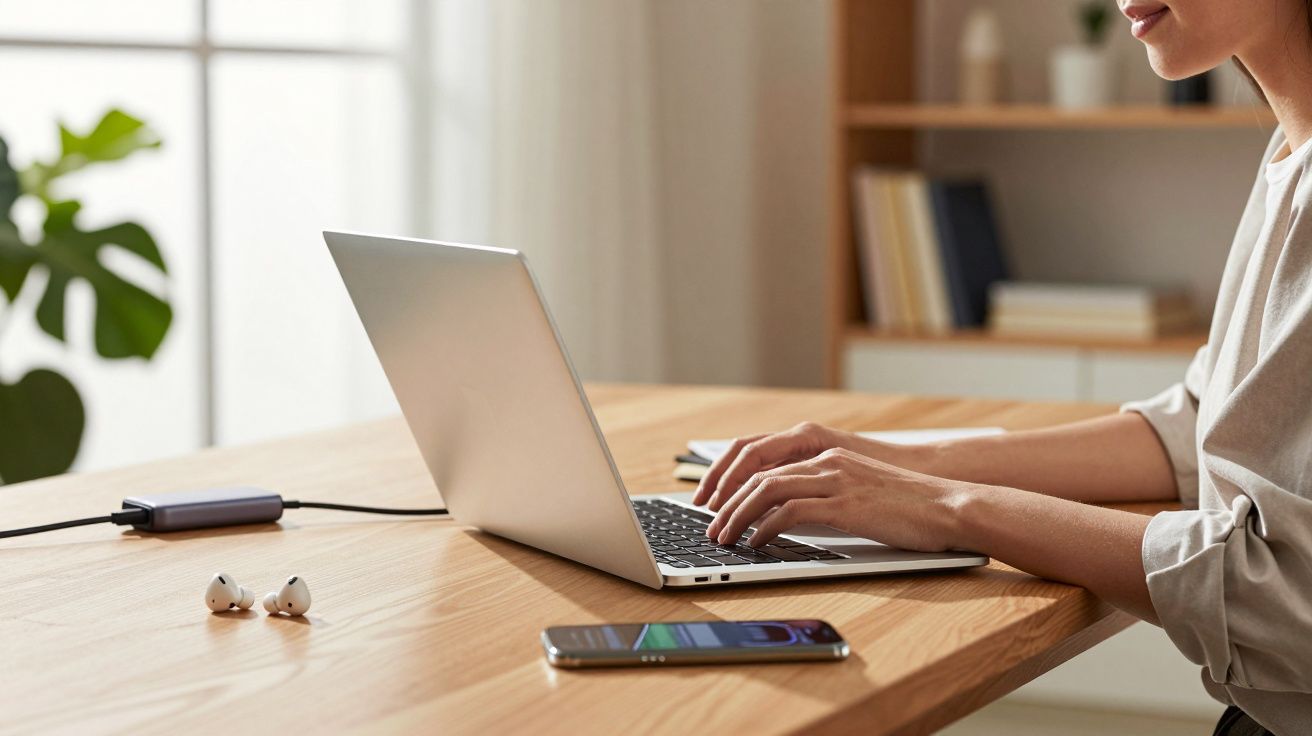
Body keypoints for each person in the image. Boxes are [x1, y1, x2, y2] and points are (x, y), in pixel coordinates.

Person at [692, 1, 1312, 733]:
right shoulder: (1289, 150)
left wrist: (951, 509)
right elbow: (1201, 422)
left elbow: (1286, 595)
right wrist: (902, 464)